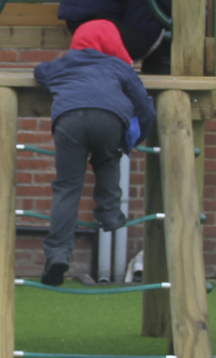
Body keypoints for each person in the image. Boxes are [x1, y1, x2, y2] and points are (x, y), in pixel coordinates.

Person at [31, 19, 156, 287]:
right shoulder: (118, 67)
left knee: (67, 188)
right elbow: (144, 106)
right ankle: (110, 213)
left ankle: (57, 255)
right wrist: (134, 140)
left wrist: (57, 68)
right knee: (108, 158)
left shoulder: (61, 65)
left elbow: (39, 72)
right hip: (110, 118)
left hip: (70, 118)